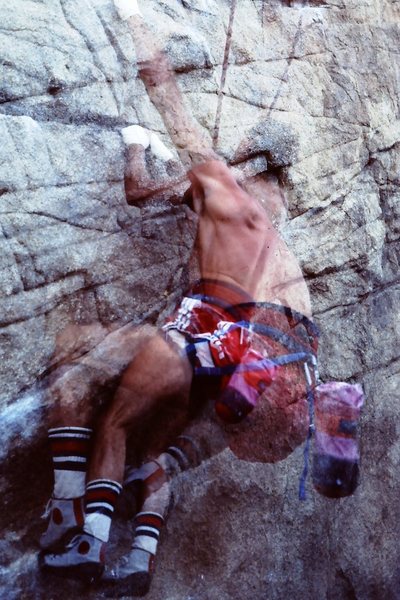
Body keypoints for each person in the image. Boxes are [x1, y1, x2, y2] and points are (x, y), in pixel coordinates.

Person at [39, 0, 319, 594]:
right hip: (257, 372)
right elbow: (165, 196)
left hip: (205, 338)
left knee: (102, 398)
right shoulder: (269, 234)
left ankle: (77, 525)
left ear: (248, 159)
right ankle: (138, 559)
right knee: (157, 444)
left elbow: (158, 143)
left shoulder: (220, 181)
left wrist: (141, 56)